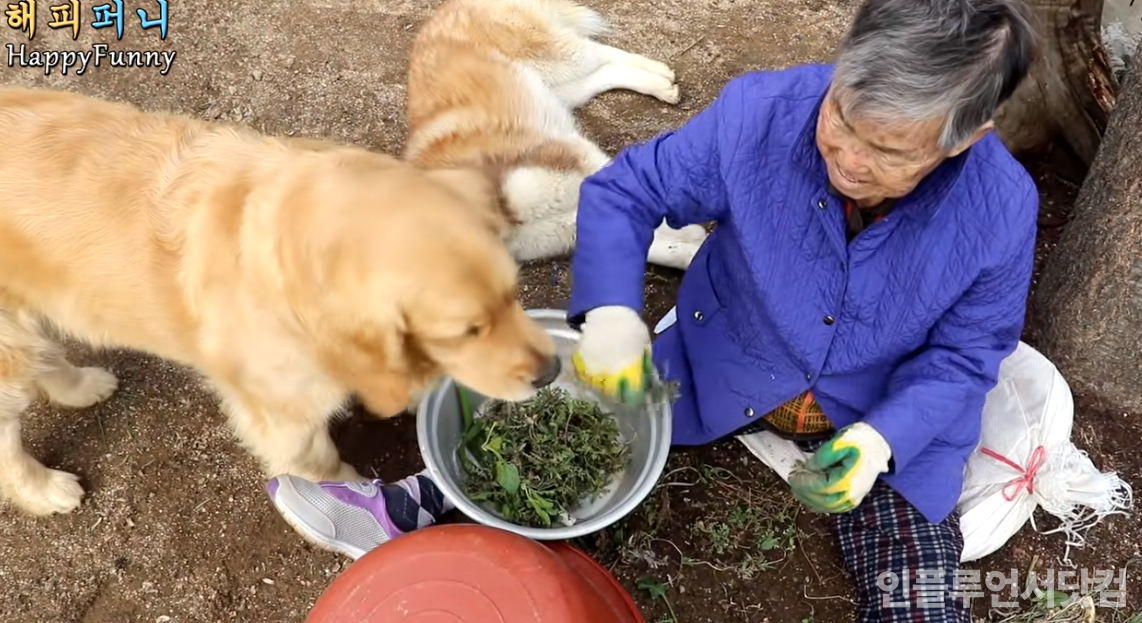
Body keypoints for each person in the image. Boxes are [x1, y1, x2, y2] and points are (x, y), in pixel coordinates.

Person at [265, 0, 1040, 621]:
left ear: (965, 137)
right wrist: (609, 314)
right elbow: (628, 192)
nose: (847, 157)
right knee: (567, 437)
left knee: (921, 598)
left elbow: (968, 356)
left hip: (880, 400)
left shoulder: (1001, 210)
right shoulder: (762, 115)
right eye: (842, 118)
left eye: (889, 153)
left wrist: (881, 439)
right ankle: (417, 504)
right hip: (727, 355)